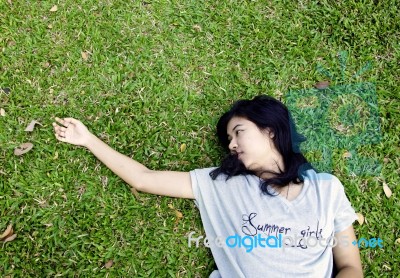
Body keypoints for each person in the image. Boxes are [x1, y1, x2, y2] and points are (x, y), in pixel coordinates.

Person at [52, 95, 363, 277]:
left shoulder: (327, 189)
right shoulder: (222, 186)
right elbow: (143, 178)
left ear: (270, 130)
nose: (231, 144)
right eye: (228, 139)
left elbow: (349, 264)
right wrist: (88, 140)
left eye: (238, 132)